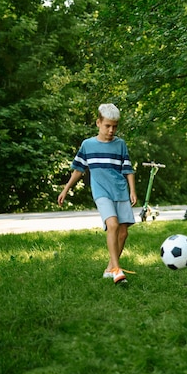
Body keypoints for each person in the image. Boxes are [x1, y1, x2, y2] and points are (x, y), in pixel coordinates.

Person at [58, 103, 138, 284]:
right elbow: (78, 170)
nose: (111, 130)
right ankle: (117, 270)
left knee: (123, 233)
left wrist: (132, 190)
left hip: (120, 190)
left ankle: (110, 268)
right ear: (98, 123)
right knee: (112, 224)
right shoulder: (88, 145)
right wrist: (65, 189)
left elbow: (128, 170)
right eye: (107, 126)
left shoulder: (120, 145)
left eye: (115, 126)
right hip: (101, 191)